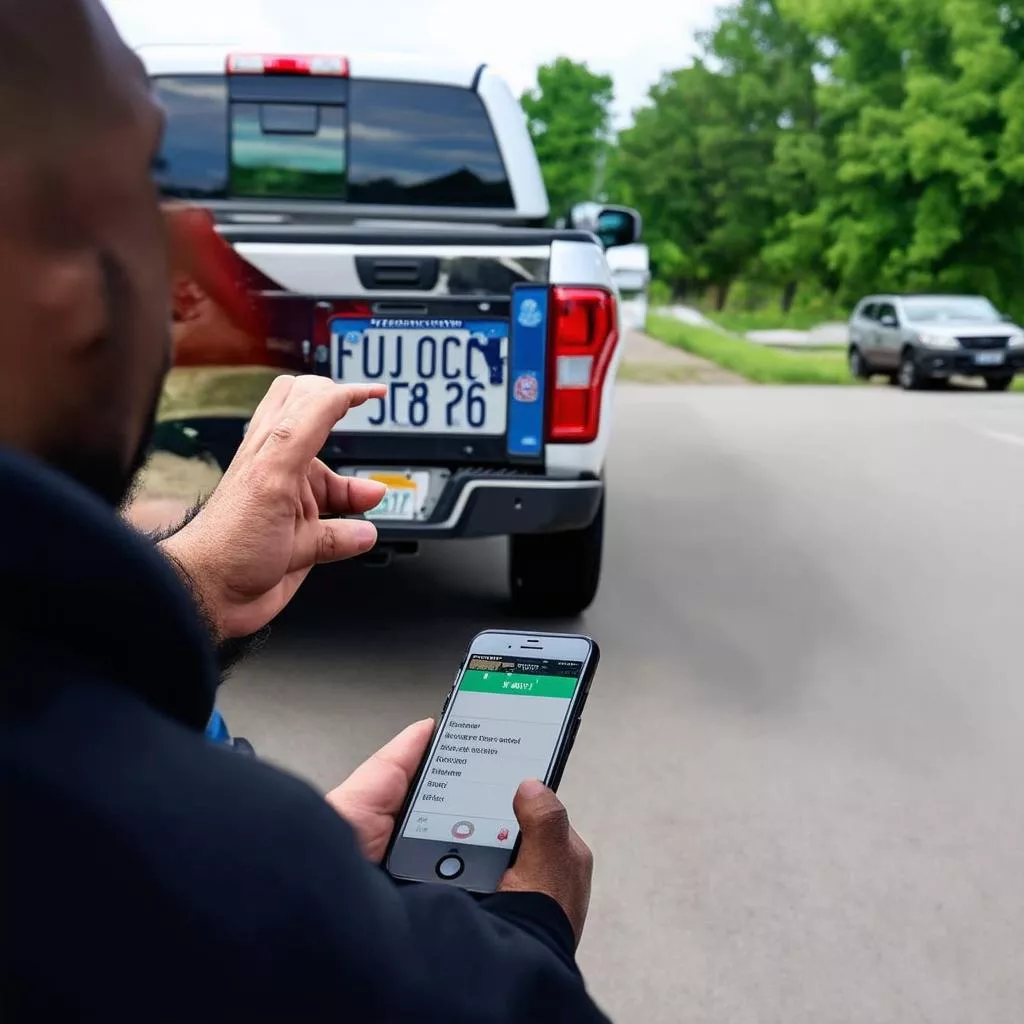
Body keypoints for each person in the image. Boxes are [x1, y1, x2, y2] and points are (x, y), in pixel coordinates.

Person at [0, 2, 607, 1021]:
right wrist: (528, 932)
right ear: (48, 278)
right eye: (148, 184)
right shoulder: (183, 858)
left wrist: (186, 587)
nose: (196, 245)